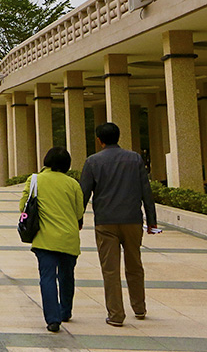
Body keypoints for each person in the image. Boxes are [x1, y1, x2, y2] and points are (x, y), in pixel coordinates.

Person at [80, 122, 157, 327]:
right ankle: (139, 307)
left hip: (105, 222)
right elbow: (145, 191)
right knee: (135, 265)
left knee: (110, 270)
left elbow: (83, 194)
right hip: (132, 219)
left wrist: (77, 219)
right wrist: (152, 221)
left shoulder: (93, 161)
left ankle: (116, 315)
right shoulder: (135, 159)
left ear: (99, 140)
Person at [21, 146, 85, 333]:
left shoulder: (35, 180)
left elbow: (22, 207)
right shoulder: (73, 184)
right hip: (68, 238)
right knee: (67, 276)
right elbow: (79, 212)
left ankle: (53, 319)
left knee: (47, 278)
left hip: (44, 239)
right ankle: (65, 311)